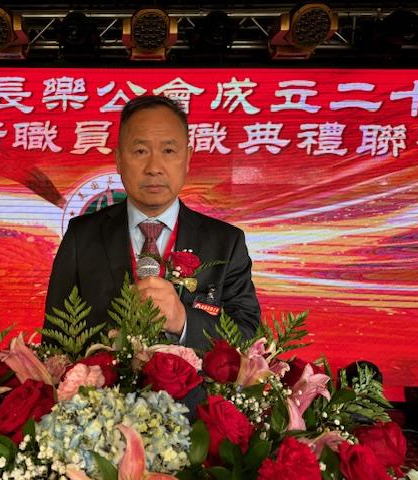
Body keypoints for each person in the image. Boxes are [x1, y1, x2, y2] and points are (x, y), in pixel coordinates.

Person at [44, 95, 260, 351]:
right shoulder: (81, 237)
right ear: (119, 159)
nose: (154, 167)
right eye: (140, 151)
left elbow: (248, 335)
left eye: (168, 151)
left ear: (187, 158)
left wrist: (183, 321)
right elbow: (54, 342)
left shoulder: (226, 243)